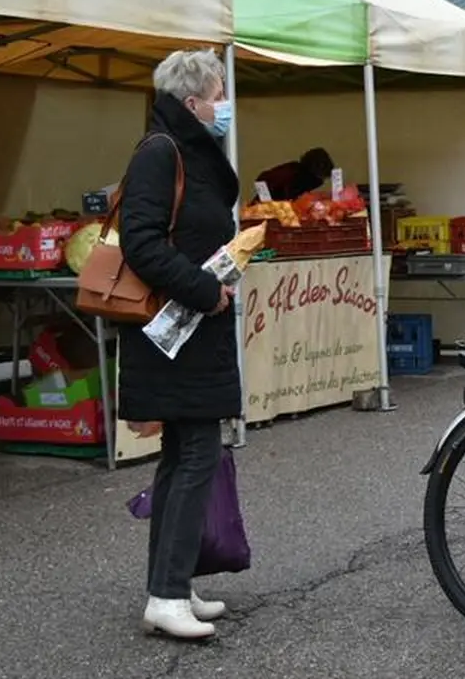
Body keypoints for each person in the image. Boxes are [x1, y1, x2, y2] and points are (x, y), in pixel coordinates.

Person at [118, 49, 243, 640]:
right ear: (192, 103)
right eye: (218, 96)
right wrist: (203, 287)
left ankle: (170, 584)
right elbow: (141, 242)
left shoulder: (188, 150)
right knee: (195, 455)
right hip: (172, 330)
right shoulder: (160, 152)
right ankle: (166, 595)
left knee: (184, 455)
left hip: (191, 331)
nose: (225, 105)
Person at [253, 147, 334, 202]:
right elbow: (262, 179)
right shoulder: (293, 173)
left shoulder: (306, 177)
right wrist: (268, 204)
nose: (322, 180)